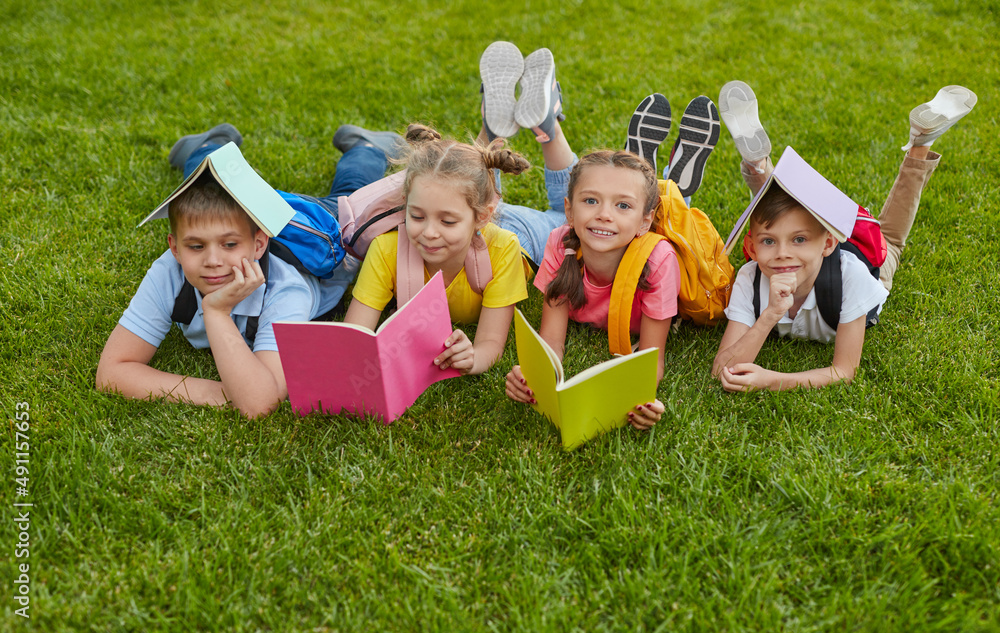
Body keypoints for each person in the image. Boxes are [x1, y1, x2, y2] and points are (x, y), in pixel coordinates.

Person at [96, 124, 400, 417]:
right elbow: (112, 372)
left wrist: (215, 312)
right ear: (174, 248)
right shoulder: (168, 271)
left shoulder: (285, 288)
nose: (213, 260)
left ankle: (367, 146)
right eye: (196, 247)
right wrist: (221, 393)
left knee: (351, 195)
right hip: (251, 222)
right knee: (203, 193)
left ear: (258, 245)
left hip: (319, 226)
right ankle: (209, 144)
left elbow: (259, 402)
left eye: (229, 245)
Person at [712, 82, 977, 391]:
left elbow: (843, 371)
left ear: (828, 243)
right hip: (814, 246)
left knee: (889, 239)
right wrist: (769, 315)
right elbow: (722, 369)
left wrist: (773, 380)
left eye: (798, 240)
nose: (782, 253)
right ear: (751, 248)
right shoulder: (749, 277)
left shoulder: (852, 278)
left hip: (853, 260)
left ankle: (920, 144)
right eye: (767, 242)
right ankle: (758, 167)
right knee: (778, 217)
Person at [504, 149, 683, 430]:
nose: (603, 215)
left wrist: (639, 401)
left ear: (645, 221)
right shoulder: (560, 242)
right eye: (590, 200)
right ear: (569, 211)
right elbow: (551, 340)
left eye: (623, 206)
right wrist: (532, 377)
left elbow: (651, 359)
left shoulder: (659, 260)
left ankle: (673, 181)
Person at [342, 124, 531, 376]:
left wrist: (473, 358)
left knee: (557, 220)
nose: (429, 232)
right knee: (345, 192)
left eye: (447, 221)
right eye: (417, 216)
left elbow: (491, 343)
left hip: (526, 229)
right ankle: (366, 148)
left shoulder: (504, 249)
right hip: (473, 219)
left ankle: (493, 125)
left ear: (482, 217)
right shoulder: (387, 250)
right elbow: (354, 336)